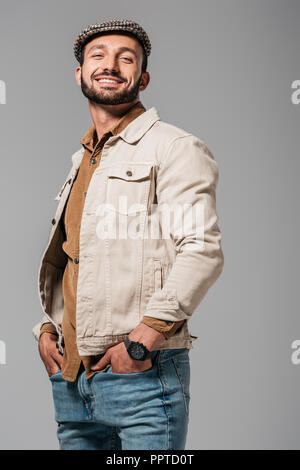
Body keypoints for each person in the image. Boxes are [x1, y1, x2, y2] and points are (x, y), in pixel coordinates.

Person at [32, 18, 224, 450]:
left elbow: (202, 249)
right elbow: (73, 257)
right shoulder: (81, 162)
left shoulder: (175, 147)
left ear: (143, 77)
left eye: (126, 58)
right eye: (98, 56)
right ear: (80, 73)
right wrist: (46, 329)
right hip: (71, 383)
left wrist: (143, 341)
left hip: (141, 375)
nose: (111, 65)